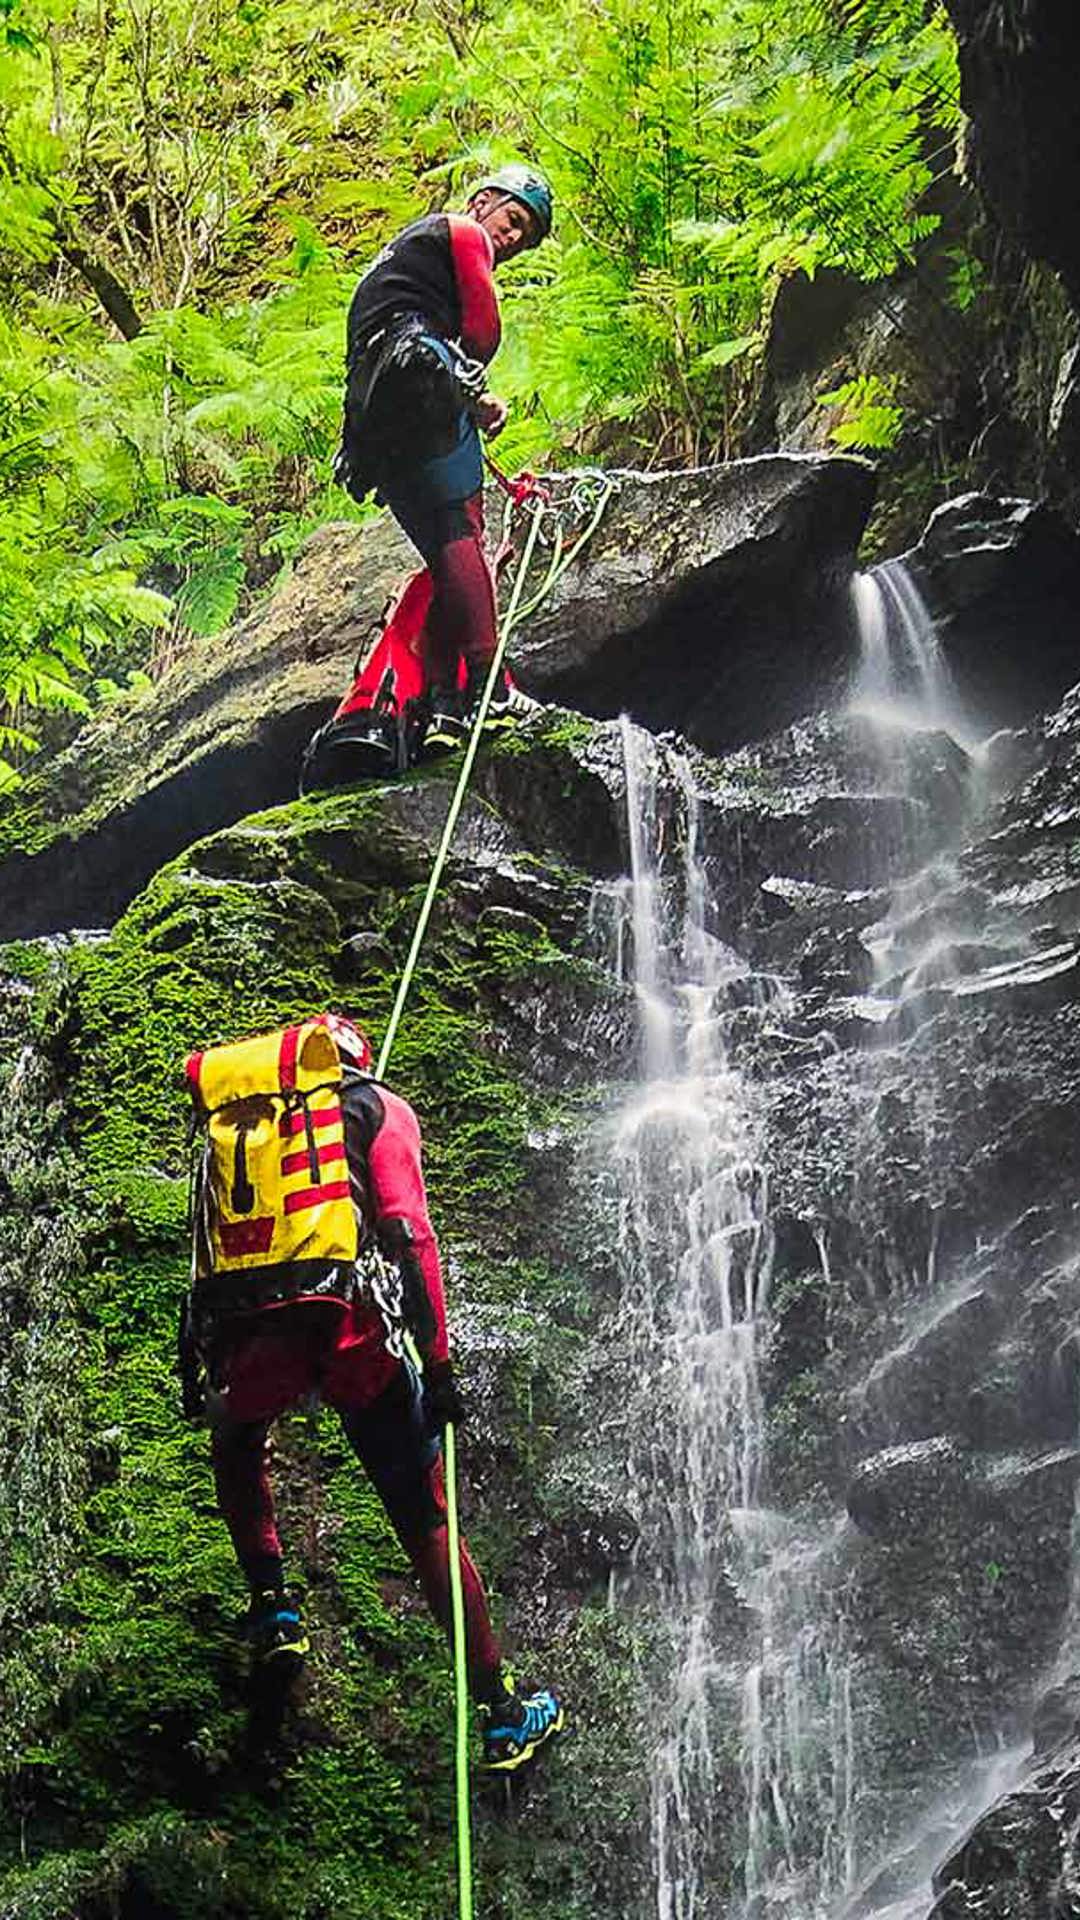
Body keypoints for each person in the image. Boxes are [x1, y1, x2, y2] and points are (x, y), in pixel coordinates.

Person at [179, 1012, 563, 1772]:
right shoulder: (378, 1108)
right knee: (422, 1517)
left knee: (238, 1445)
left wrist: (202, 1362)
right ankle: (500, 1711)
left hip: (257, 1339)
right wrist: (441, 1364)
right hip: (351, 1334)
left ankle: (274, 1607)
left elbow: (206, 1248)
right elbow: (409, 1232)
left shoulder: (245, 1125)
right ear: (358, 1057)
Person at [334, 164, 553, 749]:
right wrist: (473, 389)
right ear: (483, 201)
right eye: (512, 221)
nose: (510, 240)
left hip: (375, 413)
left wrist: (469, 397)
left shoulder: (404, 261)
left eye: (523, 238)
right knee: (460, 531)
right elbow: (482, 332)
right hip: (419, 375)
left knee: (444, 555)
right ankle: (493, 691)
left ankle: (444, 709)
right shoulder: (461, 231)